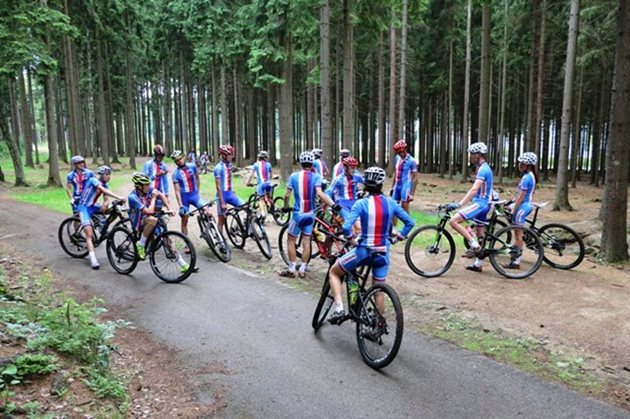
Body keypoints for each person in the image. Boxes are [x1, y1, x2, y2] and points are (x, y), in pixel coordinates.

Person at [327, 167, 415, 323]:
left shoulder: (361, 203)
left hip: (364, 251)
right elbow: (410, 222)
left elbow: (347, 227)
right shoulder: (391, 203)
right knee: (379, 289)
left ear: (365, 185)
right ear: (381, 185)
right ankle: (378, 325)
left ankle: (339, 308)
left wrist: (351, 240)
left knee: (334, 272)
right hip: (382, 254)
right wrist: (397, 238)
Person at [280, 151, 338, 279]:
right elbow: (320, 193)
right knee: (307, 242)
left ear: (301, 163)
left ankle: (291, 268)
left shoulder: (294, 176)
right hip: (310, 215)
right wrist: (333, 204)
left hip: (297, 215)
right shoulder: (316, 176)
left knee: (291, 240)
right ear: (312, 163)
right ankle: (302, 269)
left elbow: (286, 195)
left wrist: (285, 207)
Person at [448, 142, 494, 272]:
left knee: (454, 221)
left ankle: (473, 245)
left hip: (480, 204)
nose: (470, 157)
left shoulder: (483, 169)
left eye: (471, 154)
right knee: (480, 234)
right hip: (483, 204)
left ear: (478, 155)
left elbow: (474, 190)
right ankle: (478, 264)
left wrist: (460, 204)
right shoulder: (483, 167)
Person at [76, 166, 125, 270]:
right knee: (89, 234)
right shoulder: (93, 180)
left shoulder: (105, 184)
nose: (108, 176)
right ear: (101, 175)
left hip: (93, 207)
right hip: (84, 208)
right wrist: (118, 197)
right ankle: (93, 259)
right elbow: (103, 190)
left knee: (114, 211)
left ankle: (103, 228)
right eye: (106, 174)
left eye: (109, 174)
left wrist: (105, 203)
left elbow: (106, 198)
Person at [127, 172, 178, 265]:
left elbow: (161, 195)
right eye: (146, 185)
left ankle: (182, 264)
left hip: (148, 217)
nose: (149, 186)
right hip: (138, 220)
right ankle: (141, 244)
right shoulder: (132, 197)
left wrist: (169, 208)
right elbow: (149, 211)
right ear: (139, 186)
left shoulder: (147, 189)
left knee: (166, 238)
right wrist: (153, 198)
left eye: (149, 184)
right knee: (153, 220)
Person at [506, 152, 538, 269]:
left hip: (523, 206)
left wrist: (514, 209)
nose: (519, 165)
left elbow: (521, 197)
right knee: (517, 233)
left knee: (518, 236)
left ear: (528, 165)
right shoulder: (531, 175)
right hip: (526, 204)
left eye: (522, 163)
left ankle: (516, 262)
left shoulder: (526, 177)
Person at [171, 150, 211, 238]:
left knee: (208, 211)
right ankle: (186, 242)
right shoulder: (175, 174)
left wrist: (197, 191)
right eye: (176, 161)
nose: (179, 161)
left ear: (183, 157)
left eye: (180, 159)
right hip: (184, 199)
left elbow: (197, 178)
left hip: (194, 195)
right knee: (184, 220)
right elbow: (177, 191)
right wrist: (180, 206)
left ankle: (216, 233)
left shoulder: (192, 166)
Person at [214, 144, 244, 233]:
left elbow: (228, 179)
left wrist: (232, 190)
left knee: (245, 207)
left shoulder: (229, 165)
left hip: (230, 193)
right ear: (224, 155)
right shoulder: (218, 168)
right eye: (230, 155)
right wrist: (222, 203)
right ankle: (220, 240)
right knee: (221, 220)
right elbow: (218, 187)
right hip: (221, 196)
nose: (232, 156)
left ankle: (236, 227)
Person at [390, 139, 419, 232]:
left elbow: (415, 178)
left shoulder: (412, 161)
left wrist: (412, 193)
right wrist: (392, 186)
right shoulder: (397, 158)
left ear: (405, 149)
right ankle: (394, 228)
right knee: (394, 206)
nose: (399, 154)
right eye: (398, 152)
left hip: (406, 186)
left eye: (401, 152)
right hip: (397, 186)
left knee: (404, 206)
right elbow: (396, 173)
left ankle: (408, 227)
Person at [327, 156, 363, 221]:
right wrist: (331, 204)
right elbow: (329, 192)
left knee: (359, 223)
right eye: (352, 168)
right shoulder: (338, 179)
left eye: (355, 168)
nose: (354, 170)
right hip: (342, 203)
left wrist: (365, 190)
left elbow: (367, 182)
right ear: (345, 168)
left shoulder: (356, 176)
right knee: (349, 223)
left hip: (354, 202)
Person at [245, 150, 273, 219]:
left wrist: (248, 183)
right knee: (269, 197)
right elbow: (271, 175)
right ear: (266, 158)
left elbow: (251, 175)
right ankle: (273, 209)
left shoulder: (256, 164)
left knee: (260, 199)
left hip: (261, 185)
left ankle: (263, 214)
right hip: (268, 184)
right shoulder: (269, 165)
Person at [143, 145, 170, 211]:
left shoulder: (163, 165)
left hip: (159, 191)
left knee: (158, 211)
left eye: (162, 157)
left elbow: (165, 181)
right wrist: (156, 175)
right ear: (155, 155)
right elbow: (144, 180)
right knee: (149, 210)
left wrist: (166, 194)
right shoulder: (148, 164)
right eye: (159, 156)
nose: (161, 159)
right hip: (148, 191)